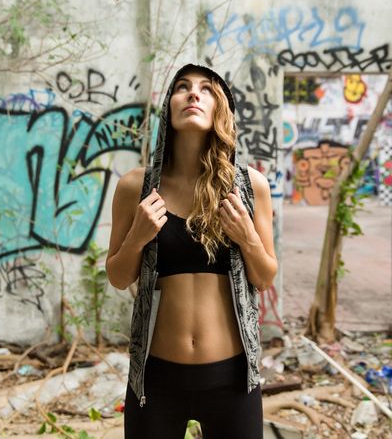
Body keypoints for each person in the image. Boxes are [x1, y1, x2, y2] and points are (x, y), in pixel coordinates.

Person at [106, 64, 277, 438]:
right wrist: (138, 235)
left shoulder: (250, 187)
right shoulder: (137, 186)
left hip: (232, 381)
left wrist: (247, 236)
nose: (193, 94)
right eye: (182, 87)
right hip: (156, 379)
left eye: (206, 89)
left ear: (220, 108)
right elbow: (119, 277)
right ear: (169, 107)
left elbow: (264, 277)